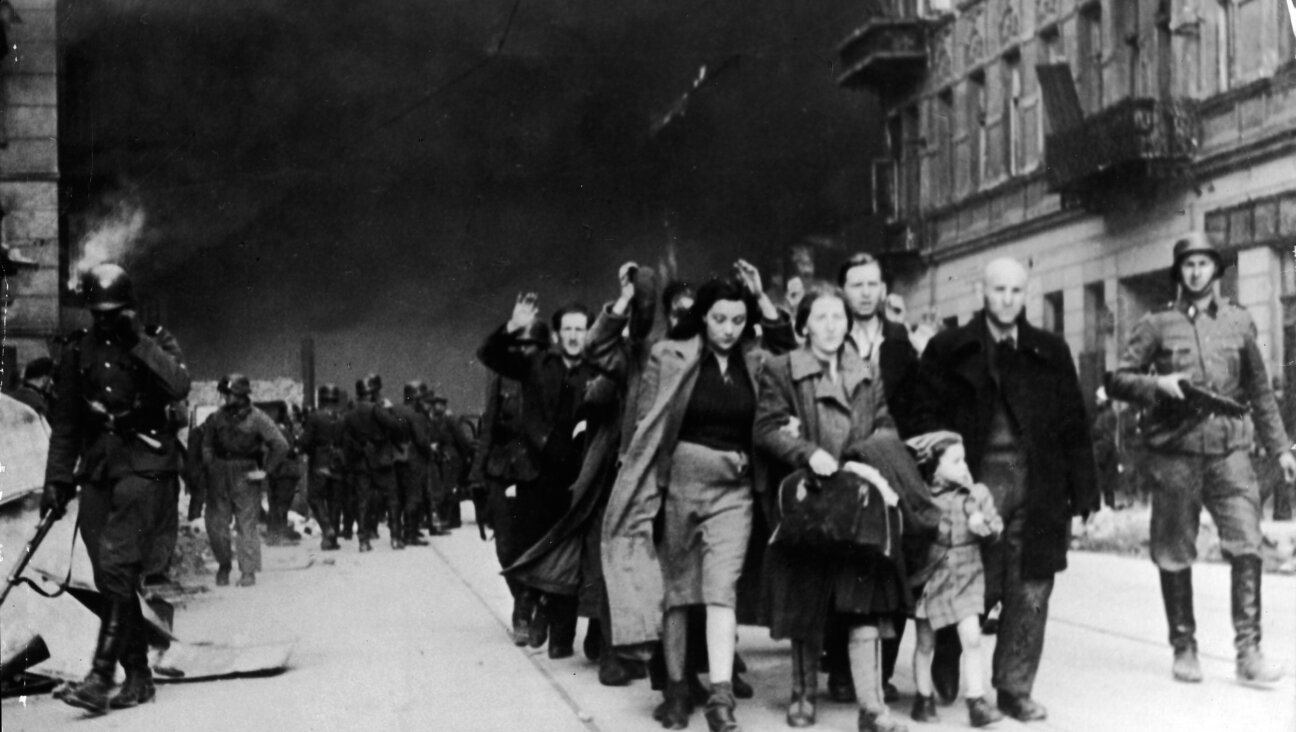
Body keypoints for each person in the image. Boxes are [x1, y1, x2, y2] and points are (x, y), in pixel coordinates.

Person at [602, 261, 794, 732]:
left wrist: (764, 302)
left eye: (737, 320)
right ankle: (675, 691)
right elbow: (643, 429)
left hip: (735, 492)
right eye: (719, 319)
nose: (728, 330)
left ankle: (721, 698)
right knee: (677, 594)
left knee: (720, 590)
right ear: (702, 317)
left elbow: (794, 355)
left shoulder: (758, 360)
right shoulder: (668, 355)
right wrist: (640, 493)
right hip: (678, 489)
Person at [911, 257, 1098, 722]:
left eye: (1016, 291)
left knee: (1030, 587)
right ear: (982, 291)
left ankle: (1014, 688)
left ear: (1027, 293)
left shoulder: (1050, 351)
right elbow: (922, 419)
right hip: (972, 483)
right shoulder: (949, 348)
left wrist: (1086, 490)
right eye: (999, 290)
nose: (1008, 299)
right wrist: (940, 477)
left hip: (1039, 485)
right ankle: (950, 650)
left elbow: (1074, 422)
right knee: (974, 581)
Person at [1107, 232, 1294, 686]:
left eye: (1203, 264)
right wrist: (1158, 385)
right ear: (1179, 272)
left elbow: (1260, 392)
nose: (1195, 272)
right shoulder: (1157, 324)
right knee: (1174, 550)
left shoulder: (1239, 322)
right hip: (1176, 453)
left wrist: (1281, 449)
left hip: (1230, 454)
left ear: (1215, 270)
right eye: (1187, 265)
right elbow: (1118, 379)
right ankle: (1184, 645)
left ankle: (1248, 652)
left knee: (1248, 545)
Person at [755, 284, 936, 732]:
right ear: (803, 325)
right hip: (811, 501)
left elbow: (886, 425)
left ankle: (872, 708)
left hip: (858, 498)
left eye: (839, 317)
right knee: (806, 601)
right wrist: (804, 452)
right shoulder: (781, 369)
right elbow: (766, 427)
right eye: (821, 318)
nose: (833, 326)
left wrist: (864, 455)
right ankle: (801, 696)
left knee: (864, 603)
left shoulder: (866, 370)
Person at [40, 263, 191, 714]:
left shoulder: (155, 342)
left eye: (115, 312)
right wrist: (57, 479)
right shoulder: (76, 352)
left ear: (130, 308)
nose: (105, 321)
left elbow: (178, 385)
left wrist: (136, 341)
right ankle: (139, 675)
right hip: (101, 470)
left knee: (118, 561)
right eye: (99, 313)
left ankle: (100, 675)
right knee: (109, 578)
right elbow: (66, 424)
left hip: (146, 466)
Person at [505, 262, 657, 686]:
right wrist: (623, 298)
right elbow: (595, 361)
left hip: (649, 475)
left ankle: (619, 640)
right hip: (605, 477)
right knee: (597, 556)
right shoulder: (611, 363)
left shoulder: (664, 356)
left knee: (638, 561)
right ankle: (602, 641)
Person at [478, 297, 598, 658]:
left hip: (580, 475)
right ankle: (534, 606)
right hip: (537, 473)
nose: (575, 336)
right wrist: (513, 326)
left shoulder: (597, 369)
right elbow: (491, 355)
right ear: (558, 335)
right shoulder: (537, 364)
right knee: (533, 549)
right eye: (568, 330)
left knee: (571, 555)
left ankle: (561, 632)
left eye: (581, 329)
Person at [834, 253, 924, 703]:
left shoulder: (897, 339)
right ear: (842, 291)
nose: (866, 292)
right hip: (839, 461)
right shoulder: (831, 335)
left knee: (894, 560)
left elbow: (908, 404)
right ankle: (842, 668)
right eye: (856, 284)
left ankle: (883, 667)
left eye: (873, 284)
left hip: (889, 460)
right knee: (844, 562)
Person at [907, 433, 1004, 728]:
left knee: (972, 638)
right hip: (934, 576)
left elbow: (998, 527)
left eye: (964, 460)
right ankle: (923, 699)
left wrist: (984, 525)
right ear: (934, 467)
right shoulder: (924, 497)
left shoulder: (978, 494)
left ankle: (976, 701)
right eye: (955, 461)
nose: (964, 466)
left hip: (968, 575)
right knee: (925, 643)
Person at [203, 373, 289, 587]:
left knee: (246, 524)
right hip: (220, 472)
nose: (226, 398)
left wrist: (266, 471)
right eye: (225, 394)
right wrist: (210, 466)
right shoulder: (217, 418)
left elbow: (280, 445)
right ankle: (224, 565)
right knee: (216, 525)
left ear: (241, 395)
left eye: (230, 394)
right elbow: (207, 444)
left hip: (246, 472)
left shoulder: (258, 418)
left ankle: (248, 571)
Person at [344, 373, 403, 551]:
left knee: (363, 501)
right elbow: (395, 425)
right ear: (372, 392)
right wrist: (392, 412)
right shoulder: (376, 409)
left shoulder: (350, 413)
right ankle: (395, 538)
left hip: (362, 462)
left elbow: (347, 439)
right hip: (381, 460)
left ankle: (363, 540)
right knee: (392, 499)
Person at [299, 383, 347, 550]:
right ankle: (331, 541)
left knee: (314, 497)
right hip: (338, 463)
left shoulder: (315, 417)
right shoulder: (343, 417)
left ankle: (327, 529)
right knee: (335, 501)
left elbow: (306, 441)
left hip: (320, 462)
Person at [391, 381, 434, 547]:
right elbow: (421, 441)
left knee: (399, 497)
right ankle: (410, 534)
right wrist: (430, 454)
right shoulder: (414, 415)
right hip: (413, 459)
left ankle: (398, 532)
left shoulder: (394, 410)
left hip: (396, 457)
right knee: (413, 497)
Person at [265, 404, 303, 545]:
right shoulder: (283, 430)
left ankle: (276, 534)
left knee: (276, 503)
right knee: (281, 503)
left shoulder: (273, 429)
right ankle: (279, 534)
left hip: (279, 471)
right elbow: (289, 450)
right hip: (285, 471)